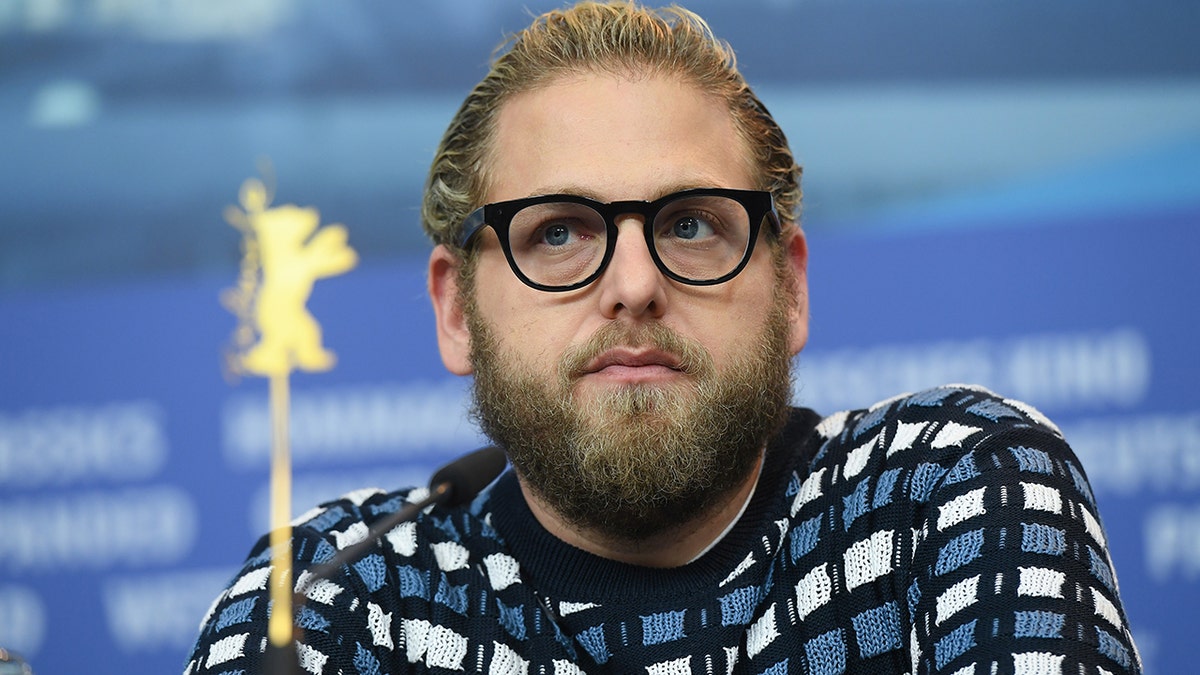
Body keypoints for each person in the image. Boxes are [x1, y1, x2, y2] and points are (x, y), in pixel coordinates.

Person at [185, 2, 1142, 673]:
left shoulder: (948, 490)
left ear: (791, 286)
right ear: (453, 310)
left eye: (691, 224)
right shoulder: (326, 602)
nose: (635, 286)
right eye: (557, 232)